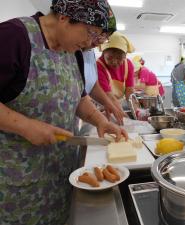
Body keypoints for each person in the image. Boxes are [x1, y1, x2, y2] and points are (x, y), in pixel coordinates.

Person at [0, 0, 128, 224]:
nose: (89, 44)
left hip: (61, 174)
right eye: (90, 33)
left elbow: (78, 97)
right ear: (64, 17)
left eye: (96, 38)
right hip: (15, 182)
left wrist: (99, 120)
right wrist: (26, 126)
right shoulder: (14, 37)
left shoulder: (74, 52)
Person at [97, 31, 135, 110]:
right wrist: (122, 114)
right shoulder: (98, 65)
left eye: (119, 58)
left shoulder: (128, 65)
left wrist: (135, 110)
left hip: (118, 103)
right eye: (109, 58)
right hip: (102, 104)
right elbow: (108, 95)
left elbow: (129, 91)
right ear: (103, 54)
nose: (114, 62)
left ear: (125, 56)